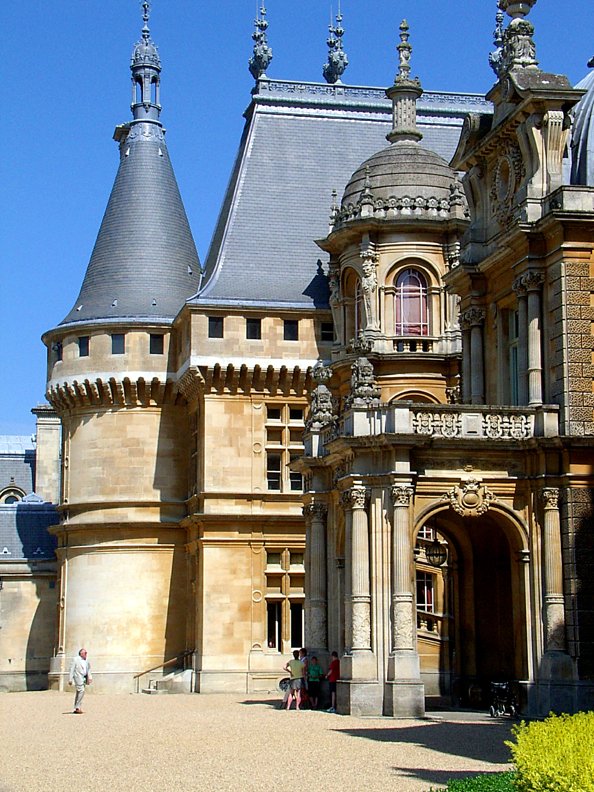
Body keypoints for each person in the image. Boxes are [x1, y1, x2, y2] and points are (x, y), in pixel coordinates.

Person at [68, 647, 92, 714]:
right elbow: (72, 669)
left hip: (84, 678)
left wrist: (90, 677)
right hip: (78, 678)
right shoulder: (75, 659)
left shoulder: (87, 660)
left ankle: (77, 707)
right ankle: (77, 707)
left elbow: (89, 669)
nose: (86, 654)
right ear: (81, 654)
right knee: (81, 691)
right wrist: (70, 679)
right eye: (85, 653)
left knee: (79, 692)